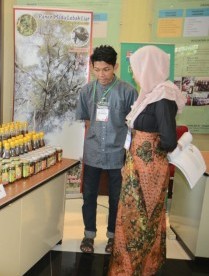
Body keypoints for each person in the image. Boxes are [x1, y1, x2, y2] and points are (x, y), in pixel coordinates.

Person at [108, 45, 186, 275]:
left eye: (136, 69)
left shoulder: (163, 96)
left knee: (142, 218)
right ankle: (129, 266)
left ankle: (139, 267)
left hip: (149, 170)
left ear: (148, 67)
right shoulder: (150, 94)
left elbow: (169, 139)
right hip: (137, 166)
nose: (133, 74)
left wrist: (147, 151)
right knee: (131, 215)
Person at [75, 45, 138, 254]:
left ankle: (113, 236)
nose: (101, 74)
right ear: (92, 67)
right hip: (92, 152)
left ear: (116, 67)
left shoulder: (128, 92)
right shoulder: (86, 91)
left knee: (116, 197)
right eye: (97, 69)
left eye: (107, 69)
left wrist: (128, 155)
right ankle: (89, 235)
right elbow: (86, 122)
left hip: (117, 153)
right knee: (89, 195)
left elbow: (132, 127)